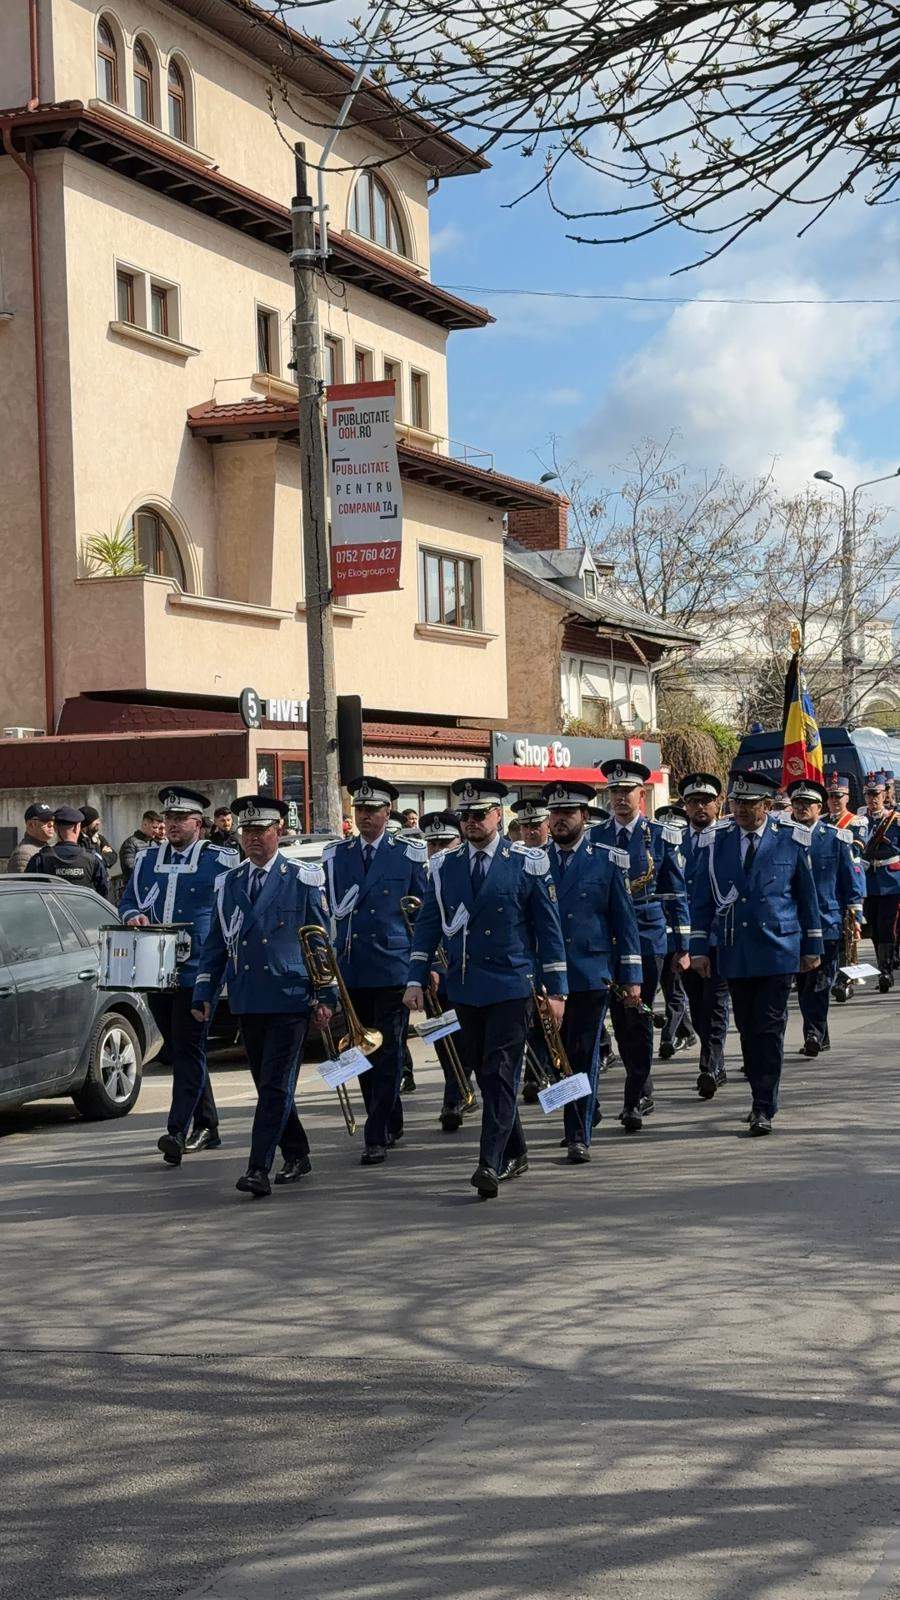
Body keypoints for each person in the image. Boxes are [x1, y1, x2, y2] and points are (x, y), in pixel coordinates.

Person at [405, 777, 567, 1199]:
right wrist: (415, 977)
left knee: (500, 1072)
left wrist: (557, 990)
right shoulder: (444, 865)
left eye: (480, 815)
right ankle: (517, 1149)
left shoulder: (527, 862)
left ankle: (487, 1163)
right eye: (466, 816)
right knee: (482, 1070)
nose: (472, 823)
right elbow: (427, 926)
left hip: (512, 983)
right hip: (465, 985)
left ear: (499, 815)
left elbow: (548, 931)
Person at [192, 796, 336, 1198]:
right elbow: (217, 943)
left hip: (290, 995)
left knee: (274, 1085)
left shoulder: (302, 877)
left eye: (261, 831)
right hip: (248, 996)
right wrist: (204, 990)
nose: (253, 839)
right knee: (268, 1085)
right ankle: (298, 1151)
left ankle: (258, 1167)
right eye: (247, 832)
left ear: (278, 832)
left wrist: (327, 995)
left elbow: (322, 942)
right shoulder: (230, 882)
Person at [689, 768, 823, 1136]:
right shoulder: (716, 841)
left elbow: (806, 896)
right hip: (734, 949)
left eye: (749, 803)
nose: (742, 809)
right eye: (737, 802)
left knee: (769, 1027)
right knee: (747, 1029)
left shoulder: (790, 839)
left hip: (778, 948)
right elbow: (700, 900)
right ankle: (759, 1093)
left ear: (766, 805)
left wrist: (813, 946)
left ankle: (764, 1104)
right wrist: (698, 948)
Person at [119, 786, 240, 1165]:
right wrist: (132, 916)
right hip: (157, 971)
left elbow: (235, 908)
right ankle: (208, 1125)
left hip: (199, 971)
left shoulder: (220, 859)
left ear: (197, 824)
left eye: (178, 819)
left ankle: (177, 1129)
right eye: (166, 818)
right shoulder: (145, 860)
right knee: (182, 1050)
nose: (170, 825)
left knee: (188, 1047)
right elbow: (129, 901)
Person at [323, 776, 428, 1166]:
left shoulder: (410, 854)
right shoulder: (337, 856)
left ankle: (376, 1131)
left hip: (393, 967)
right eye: (360, 810)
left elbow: (423, 916)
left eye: (373, 810)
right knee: (362, 1051)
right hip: (353, 968)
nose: (365, 816)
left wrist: (425, 967)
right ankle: (389, 1117)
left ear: (388, 813)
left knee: (387, 1050)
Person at [543, 780, 642, 1162]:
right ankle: (586, 1107)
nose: (561, 820)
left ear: (585, 816)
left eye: (568, 813)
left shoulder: (607, 859)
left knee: (582, 1053)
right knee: (552, 1056)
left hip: (589, 973)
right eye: (555, 814)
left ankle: (577, 1134)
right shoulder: (532, 860)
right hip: (547, 978)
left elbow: (625, 923)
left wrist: (632, 977)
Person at [589, 759, 690, 1132]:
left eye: (625, 792)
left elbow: (677, 892)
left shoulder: (661, 836)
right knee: (614, 1017)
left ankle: (636, 1095)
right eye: (613, 792)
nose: (619, 798)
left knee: (637, 1015)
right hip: (605, 941)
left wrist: (681, 945)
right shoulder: (595, 836)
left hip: (647, 936)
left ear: (641, 795)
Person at [787, 777, 864, 1055]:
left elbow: (849, 880)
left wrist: (855, 914)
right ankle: (820, 1033)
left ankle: (813, 1034)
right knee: (805, 982)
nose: (802, 807)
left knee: (819, 982)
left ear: (819, 808)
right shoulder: (785, 837)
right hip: (794, 923)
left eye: (808, 803)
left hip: (827, 921)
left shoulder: (835, 838)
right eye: (797, 803)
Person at [417, 810, 476, 1131]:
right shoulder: (428, 874)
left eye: (445, 842)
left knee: (468, 1039)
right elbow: (419, 924)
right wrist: (426, 968)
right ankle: (455, 1091)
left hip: (470, 970)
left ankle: (456, 1094)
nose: (438, 849)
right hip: (437, 976)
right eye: (433, 844)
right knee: (443, 1038)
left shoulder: (468, 871)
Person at [677, 772, 731, 1099]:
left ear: (717, 804)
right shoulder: (674, 841)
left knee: (715, 1003)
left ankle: (709, 1066)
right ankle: (716, 1061)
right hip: (685, 941)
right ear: (685, 806)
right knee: (696, 1006)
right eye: (693, 801)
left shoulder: (727, 838)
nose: (700, 807)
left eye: (706, 801)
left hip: (718, 937)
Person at [654, 802, 697, 1061]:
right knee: (670, 988)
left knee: (675, 990)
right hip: (660, 932)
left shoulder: (690, 858)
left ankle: (668, 1037)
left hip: (682, 934)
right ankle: (688, 1031)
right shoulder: (659, 857)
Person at [858, 774, 900, 992]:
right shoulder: (861, 820)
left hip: (891, 881)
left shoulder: (895, 819)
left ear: (885, 795)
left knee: (887, 926)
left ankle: (886, 971)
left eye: (877, 794)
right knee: (873, 925)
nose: (873, 798)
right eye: (869, 794)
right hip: (868, 881)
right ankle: (882, 966)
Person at [26, 806, 111, 898]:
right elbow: (105, 895)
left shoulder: (40, 859)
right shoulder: (92, 859)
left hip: (50, 912)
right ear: (77, 827)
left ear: (55, 828)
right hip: (85, 911)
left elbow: (28, 894)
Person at [5, 802, 54, 873]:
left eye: (52, 819)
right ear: (30, 824)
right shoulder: (23, 855)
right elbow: (23, 883)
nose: (51, 824)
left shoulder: (47, 847)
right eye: (45, 820)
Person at [119, 811, 165, 884]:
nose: (157, 831)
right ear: (145, 824)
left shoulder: (155, 843)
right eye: (154, 827)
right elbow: (131, 869)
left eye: (158, 828)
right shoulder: (130, 844)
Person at [80, 807, 118, 874]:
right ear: (86, 824)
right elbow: (85, 861)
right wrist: (102, 855)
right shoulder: (77, 840)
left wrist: (99, 859)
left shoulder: (99, 838)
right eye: (95, 821)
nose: (99, 823)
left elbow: (113, 856)